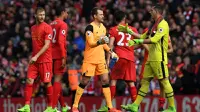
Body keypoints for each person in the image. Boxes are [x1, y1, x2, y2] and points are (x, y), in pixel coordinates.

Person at [119, 4, 176, 112]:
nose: (150, 12)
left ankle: (172, 107)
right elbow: (142, 36)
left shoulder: (163, 24)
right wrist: (129, 32)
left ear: (157, 12)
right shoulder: (153, 25)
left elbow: (154, 40)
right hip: (150, 59)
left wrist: (137, 41)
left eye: (151, 11)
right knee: (145, 82)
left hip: (159, 59)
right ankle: (135, 106)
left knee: (164, 82)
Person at [71, 7, 121, 112]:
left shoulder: (103, 27)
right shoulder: (89, 28)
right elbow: (91, 43)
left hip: (101, 60)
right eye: (101, 14)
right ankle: (75, 106)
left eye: (103, 14)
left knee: (105, 80)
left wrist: (111, 52)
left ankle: (110, 107)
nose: (103, 16)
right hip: (90, 60)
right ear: (95, 16)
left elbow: (104, 45)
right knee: (84, 81)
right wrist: (100, 41)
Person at [97, 10, 138, 112]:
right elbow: (140, 43)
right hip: (130, 58)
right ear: (124, 18)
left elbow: (110, 45)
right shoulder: (133, 29)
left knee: (113, 80)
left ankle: (108, 106)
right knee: (130, 83)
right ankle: (135, 106)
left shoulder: (114, 29)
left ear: (115, 19)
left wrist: (108, 59)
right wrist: (130, 49)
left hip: (119, 57)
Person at [17, 7, 53, 112]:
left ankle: (51, 107)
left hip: (45, 60)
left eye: (44, 15)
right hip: (35, 60)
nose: (42, 17)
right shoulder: (32, 28)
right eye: (40, 15)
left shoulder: (48, 28)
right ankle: (27, 106)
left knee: (47, 83)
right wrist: (34, 56)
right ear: (35, 15)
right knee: (29, 80)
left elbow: (47, 45)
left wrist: (36, 56)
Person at [138, 28, 173, 112]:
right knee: (142, 83)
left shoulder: (165, 32)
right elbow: (141, 41)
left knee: (162, 83)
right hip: (148, 61)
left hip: (160, 61)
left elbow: (171, 49)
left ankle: (161, 107)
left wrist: (162, 52)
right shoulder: (147, 30)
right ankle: (136, 105)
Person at [50, 7, 69, 112]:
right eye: (66, 12)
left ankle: (63, 105)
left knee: (57, 81)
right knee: (57, 80)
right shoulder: (63, 24)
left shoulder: (50, 24)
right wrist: (63, 57)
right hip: (58, 55)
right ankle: (52, 107)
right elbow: (61, 41)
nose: (67, 14)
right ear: (62, 12)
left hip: (49, 55)